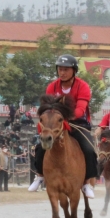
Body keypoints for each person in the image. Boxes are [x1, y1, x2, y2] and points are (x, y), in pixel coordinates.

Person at [28, 54, 99, 199]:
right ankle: (40, 175)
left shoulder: (83, 86)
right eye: (60, 69)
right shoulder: (52, 86)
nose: (62, 72)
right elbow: (47, 108)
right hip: (56, 123)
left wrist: (66, 119)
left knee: (89, 149)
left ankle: (87, 183)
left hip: (78, 123)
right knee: (40, 147)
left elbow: (80, 109)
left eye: (66, 69)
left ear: (74, 71)